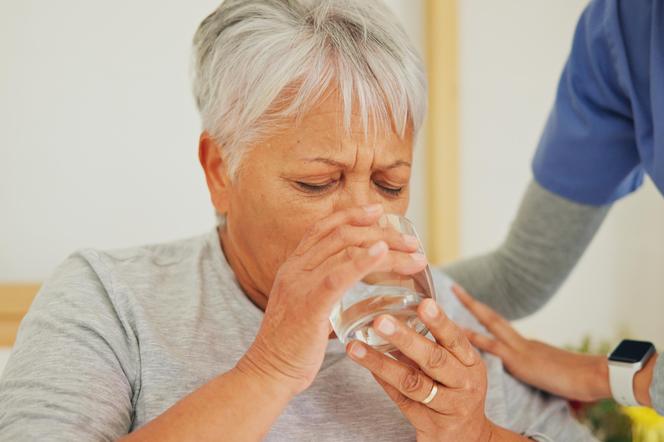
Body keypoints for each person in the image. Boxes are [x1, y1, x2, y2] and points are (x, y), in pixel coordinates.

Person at [0, 1, 596, 440]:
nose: (368, 218)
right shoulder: (110, 300)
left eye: (390, 183)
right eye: (319, 182)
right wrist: (269, 369)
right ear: (220, 170)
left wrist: (478, 434)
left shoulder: (448, 326)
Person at [444, 0, 664, 416]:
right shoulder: (621, 27)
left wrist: (611, 376)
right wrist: (371, 299)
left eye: (390, 184)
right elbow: (518, 276)